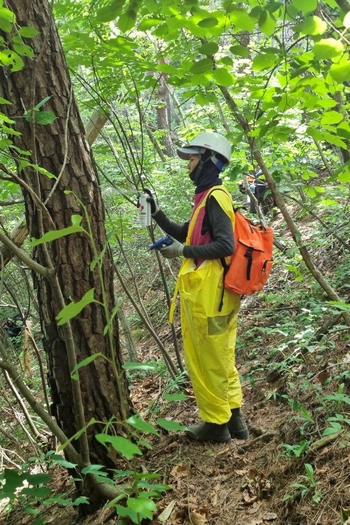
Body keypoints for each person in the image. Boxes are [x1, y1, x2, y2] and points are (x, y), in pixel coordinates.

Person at [145, 131, 248, 444]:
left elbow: (224, 245)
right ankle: (235, 422)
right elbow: (186, 233)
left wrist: (182, 252)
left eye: (191, 158)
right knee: (220, 357)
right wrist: (155, 211)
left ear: (207, 160)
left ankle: (217, 426)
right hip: (211, 293)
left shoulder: (216, 197)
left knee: (208, 360)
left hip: (211, 294)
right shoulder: (206, 199)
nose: (187, 165)